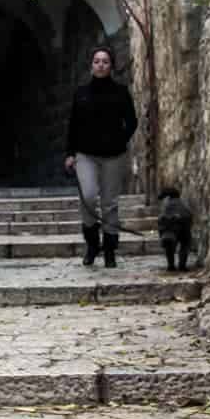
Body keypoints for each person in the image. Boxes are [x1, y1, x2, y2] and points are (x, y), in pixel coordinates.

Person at [65, 46, 138, 267]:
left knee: (110, 203)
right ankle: (92, 243)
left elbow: (132, 122)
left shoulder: (121, 92)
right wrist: (69, 153)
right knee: (87, 197)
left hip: (113, 156)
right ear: (91, 65)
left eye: (105, 61)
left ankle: (109, 249)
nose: (101, 65)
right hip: (85, 154)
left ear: (111, 66)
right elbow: (73, 126)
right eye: (97, 61)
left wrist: (120, 139)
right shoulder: (81, 93)